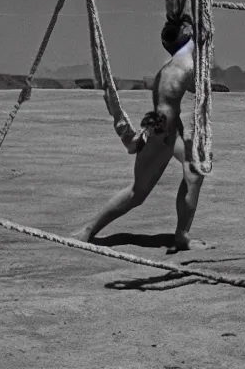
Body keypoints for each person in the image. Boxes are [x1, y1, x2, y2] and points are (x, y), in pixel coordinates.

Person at [71, 15, 208, 254]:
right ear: (186, 34)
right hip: (162, 131)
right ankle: (87, 230)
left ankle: (182, 236)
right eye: (191, 29)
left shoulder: (181, 61)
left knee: (194, 173)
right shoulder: (179, 66)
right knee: (138, 193)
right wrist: (155, 136)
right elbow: (164, 109)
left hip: (169, 131)